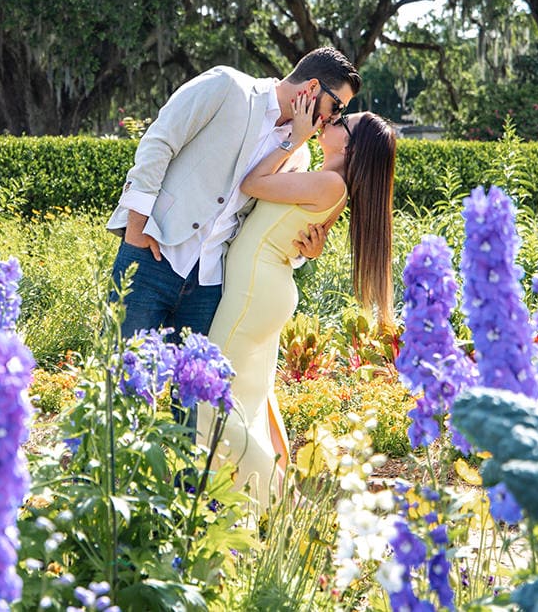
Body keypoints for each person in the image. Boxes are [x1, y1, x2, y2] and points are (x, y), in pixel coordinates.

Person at [198, 103, 397, 503]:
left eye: (343, 122)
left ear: (352, 148)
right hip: (264, 287)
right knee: (249, 401)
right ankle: (250, 505)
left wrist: (297, 136)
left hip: (256, 290)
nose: (332, 119)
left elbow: (252, 184)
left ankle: (283, 501)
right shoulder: (327, 180)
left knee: (209, 399)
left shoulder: (330, 184)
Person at [106, 48, 361, 342]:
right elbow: (158, 143)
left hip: (210, 283)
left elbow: (272, 226)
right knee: (119, 374)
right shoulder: (226, 85)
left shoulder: (296, 153)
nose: (334, 118)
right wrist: (135, 228)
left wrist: (306, 252)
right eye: (336, 106)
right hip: (154, 252)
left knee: (193, 386)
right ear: (313, 87)